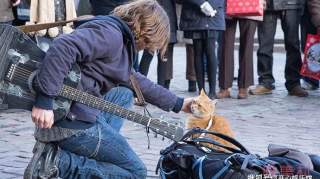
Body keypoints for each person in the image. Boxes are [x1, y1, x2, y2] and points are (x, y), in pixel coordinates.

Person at [23, 0, 193, 178]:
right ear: (146, 31)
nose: (148, 49)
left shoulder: (119, 37)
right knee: (136, 172)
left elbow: (135, 80)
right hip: (71, 122)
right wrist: (45, 101)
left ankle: (83, 152)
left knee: (124, 95)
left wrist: (179, 103)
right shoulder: (111, 35)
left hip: (74, 109)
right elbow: (63, 46)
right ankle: (59, 163)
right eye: (151, 43)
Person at [249, 0, 308, 97]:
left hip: (292, 4)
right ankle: (265, 81)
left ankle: (294, 83)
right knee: (265, 45)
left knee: (293, 45)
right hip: (268, 5)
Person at [179, 0, 225, 99]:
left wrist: (212, 5)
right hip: (194, 14)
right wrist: (201, 3)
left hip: (212, 14)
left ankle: (212, 91)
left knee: (210, 51)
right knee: (198, 52)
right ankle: (201, 91)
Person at [217, 14, 263, 99]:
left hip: (251, 6)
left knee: (247, 46)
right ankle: (224, 86)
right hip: (228, 6)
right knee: (226, 45)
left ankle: (244, 86)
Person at [138, 0, 178, 89]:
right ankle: (138, 88)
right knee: (148, 54)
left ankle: (162, 88)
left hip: (166, 17)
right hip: (152, 16)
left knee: (163, 56)